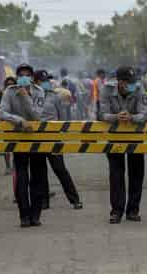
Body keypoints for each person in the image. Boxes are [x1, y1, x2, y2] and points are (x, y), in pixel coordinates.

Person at [0, 63, 49, 228]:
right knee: (21, 178)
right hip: (18, 139)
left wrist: (26, 97)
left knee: (38, 178)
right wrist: (19, 121)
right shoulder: (9, 91)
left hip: (36, 140)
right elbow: (2, 112)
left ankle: (35, 215)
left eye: (27, 74)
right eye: (21, 75)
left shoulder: (39, 91)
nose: (24, 77)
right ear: (17, 76)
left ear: (32, 77)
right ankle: (24, 216)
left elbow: (37, 116)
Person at [100, 66, 147, 224]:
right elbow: (102, 114)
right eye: (127, 82)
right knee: (116, 175)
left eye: (132, 82)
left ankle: (133, 210)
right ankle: (116, 211)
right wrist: (116, 116)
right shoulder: (106, 90)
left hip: (135, 136)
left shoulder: (139, 89)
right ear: (119, 82)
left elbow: (144, 114)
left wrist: (132, 117)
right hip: (114, 136)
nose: (131, 85)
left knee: (136, 173)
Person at [33, 70, 83, 210]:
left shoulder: (54, 96)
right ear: (36, 82)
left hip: (53, 137)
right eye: (43, 80)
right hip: (36, 137)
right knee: (40, 170)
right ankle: (44, 201)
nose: (47, 82)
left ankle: (75, 200)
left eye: (47, 80)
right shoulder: (30, 96)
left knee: (60, 169)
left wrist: (61, 134)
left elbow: (62, 117)